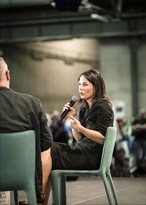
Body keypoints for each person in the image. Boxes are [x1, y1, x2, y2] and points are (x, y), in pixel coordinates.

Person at [43, 69, 114, 204]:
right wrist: (73, 119)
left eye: (85, 84)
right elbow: (80, 139)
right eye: (79, 84)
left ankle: (38, 200)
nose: (80, 88)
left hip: (92, 157)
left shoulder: (103, 107)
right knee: (47, 152)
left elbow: (102, 138)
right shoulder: (84, 107)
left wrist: (80, 127)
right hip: (81, 151)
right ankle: (41, 201)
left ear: (96, 86)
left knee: (49, 148)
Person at [0, 57, 53, 204]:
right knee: (47, 151)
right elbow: (46, 145)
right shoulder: (31, 103)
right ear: (8, 74)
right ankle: (38, 196)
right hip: (23, 175)